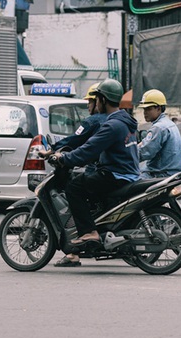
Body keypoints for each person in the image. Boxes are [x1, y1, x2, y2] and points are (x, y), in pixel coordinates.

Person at [51, 78, 140, 267]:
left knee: (74, 187)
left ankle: (89, 232)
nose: (93, 103)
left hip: (116, 174)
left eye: (95, 99)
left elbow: (87, 149)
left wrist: (63, 158)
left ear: (103, 100)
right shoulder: (126, 121)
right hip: (128, 173)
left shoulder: (111, 125)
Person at [40, 82, 107, 174]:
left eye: (90, 102)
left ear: (99, 101)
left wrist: (51, 151)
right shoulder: (118, 120)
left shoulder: (92, 121)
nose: (88, 105)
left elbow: (74, 139)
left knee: (74, 185)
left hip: (98, 168)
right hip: (117, 170)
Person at [137, 89, 181, 179]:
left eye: (148, 109)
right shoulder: (170, 124)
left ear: (158, 108)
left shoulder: (158, 128)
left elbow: (145, 152)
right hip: (172, 174)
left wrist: (126, 154)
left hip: (159, 175)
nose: (145, 112)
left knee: (127, 184)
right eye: (144, 109)